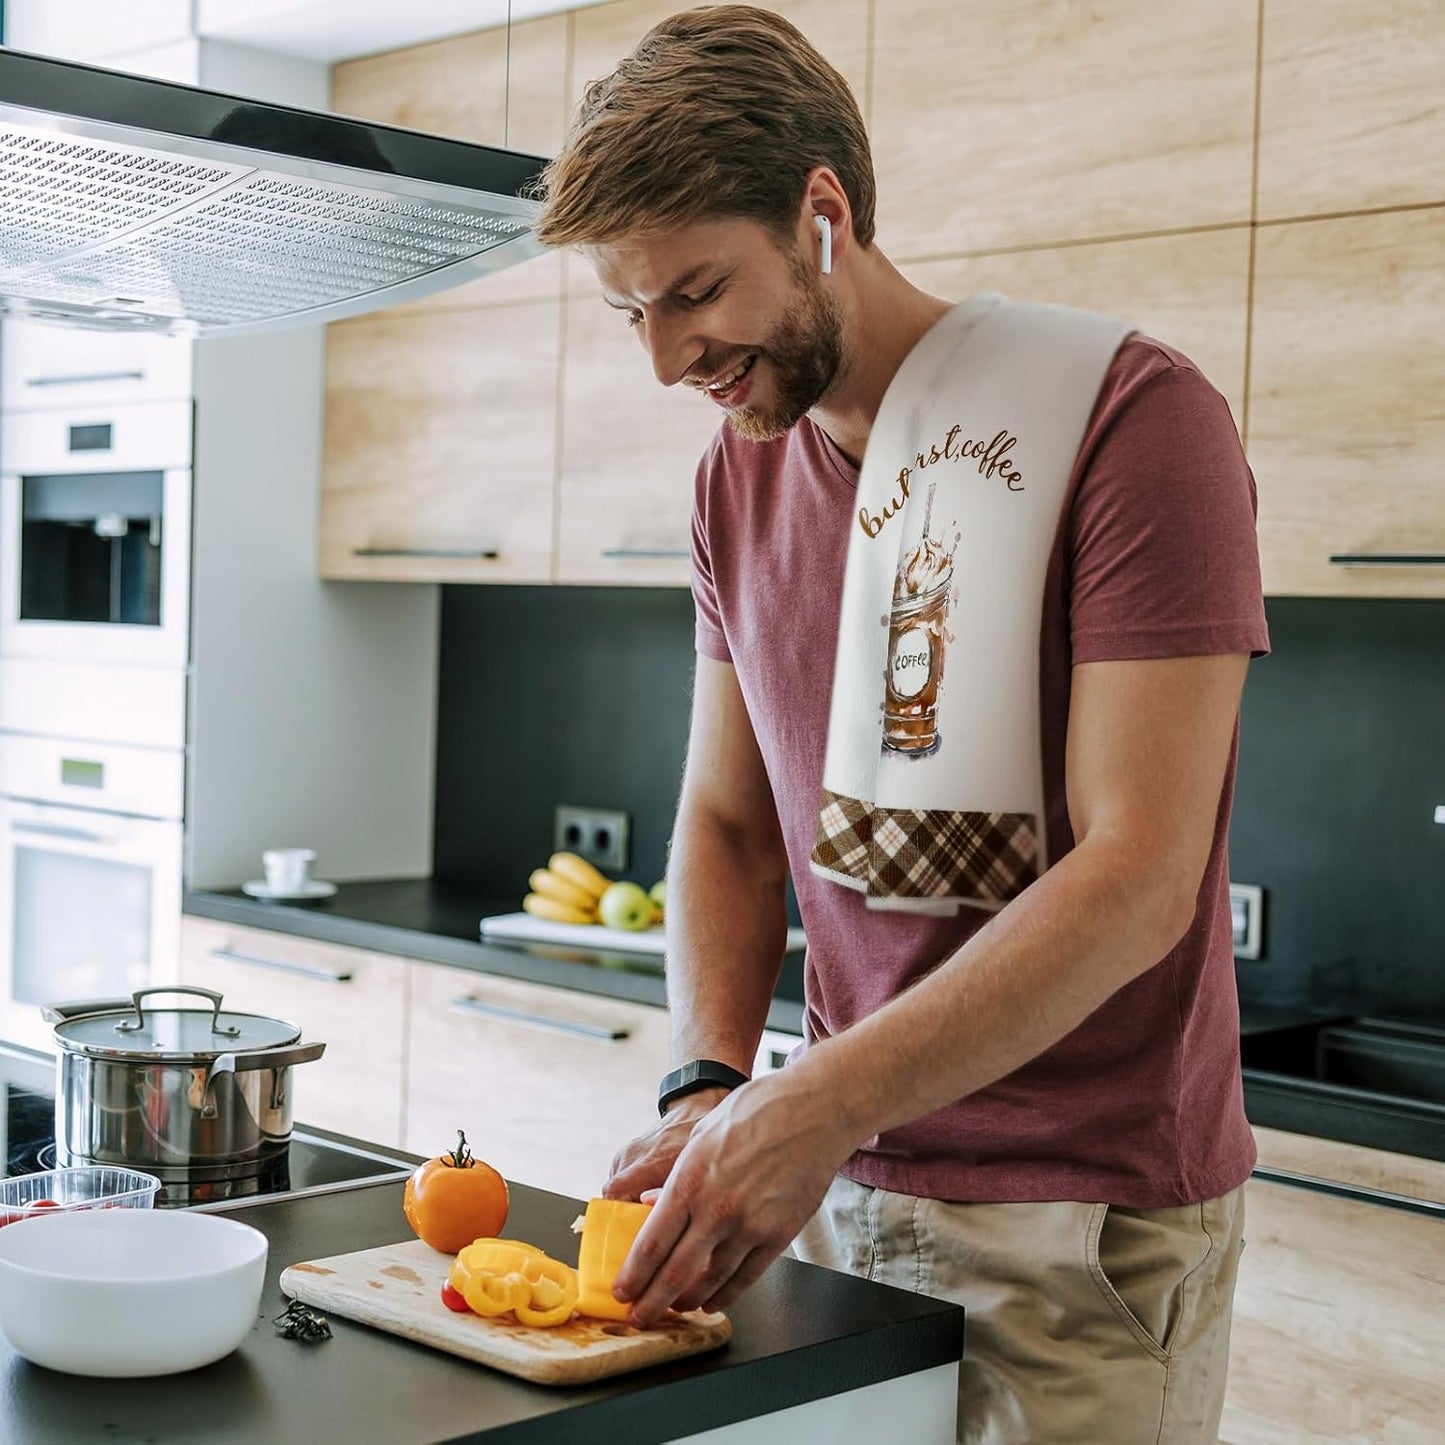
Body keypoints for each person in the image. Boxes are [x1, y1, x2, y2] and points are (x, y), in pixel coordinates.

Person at [533, 7, 1269, 1442]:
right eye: (632, 311)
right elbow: (732, 822)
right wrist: (708, 1088)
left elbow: (1135, 876)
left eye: (696, 290)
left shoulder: (1133, 419)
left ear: (822, 213)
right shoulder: (733, 483)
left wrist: (806, 1108)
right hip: (827, 1203)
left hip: (1081, 1232)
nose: (668, 356)